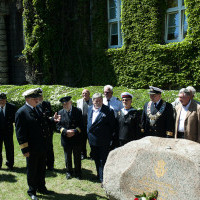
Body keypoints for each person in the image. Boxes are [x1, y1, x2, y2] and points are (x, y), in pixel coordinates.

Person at [15, 88, 54, 200]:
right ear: (27, 99)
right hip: (31, 148)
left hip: (41, 145)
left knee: (41, 168)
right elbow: (20, 133)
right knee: (32, 170)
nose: (37, 100)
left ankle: (41, 187)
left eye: (37, 98)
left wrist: (52, 120)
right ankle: (32, 190)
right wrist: (24, 149)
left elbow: (43, 123)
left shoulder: (37, 109)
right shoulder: (21, 112)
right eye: (35, 98)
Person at [87, 93, 115, 185]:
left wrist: (110, 139)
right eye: (96, 101)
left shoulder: (108, 111)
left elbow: (112, 126)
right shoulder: (89, 109)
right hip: (92, 140)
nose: (98, 102)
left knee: (103, 160)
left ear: (102, 101)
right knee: (95, 158)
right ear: (93, 101)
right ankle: (98, 175)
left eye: (100, 100)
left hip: (103, 140)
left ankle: (103, 178)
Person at [56, 96, 83, 180]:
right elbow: (57, 125)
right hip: (66, 138)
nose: (65, 105)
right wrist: (65, 131)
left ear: (70, 102)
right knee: (67, 157)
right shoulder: (60, 112)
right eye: (63, 104)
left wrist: (74, 131)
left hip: (76, 138)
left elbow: (81, 124)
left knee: (77, 156)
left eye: (67, 103)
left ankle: (78, 172)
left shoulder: (78, 111)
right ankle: (69, 172)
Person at [36, 88, 60, 171]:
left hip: (48, 130)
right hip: (39, 131)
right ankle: (42, 165)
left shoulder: (47, 104)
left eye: (41, 95)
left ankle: (50, 166)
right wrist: (49, 118)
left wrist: (53, 118)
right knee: (41, 149)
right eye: (38, 96)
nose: (40, 97)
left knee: (49, 148)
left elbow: (49, 116)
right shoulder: (34, 105)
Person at [0, 92, 16, 170]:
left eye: (3, 100)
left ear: (6, 100)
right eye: (0, 100)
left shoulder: (12, 107)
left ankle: (10, 164)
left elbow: (14, 119)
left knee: (9, 147)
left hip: (8, 131)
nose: (2, 102)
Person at [77, 89, 92, 159]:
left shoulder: (93, 101)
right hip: (82, 124)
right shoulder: (79, 101)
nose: (84, 95)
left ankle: (93, 154)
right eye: (83, 93)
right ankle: (83, 154)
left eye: (86, 93)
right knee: (82, 141)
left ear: (89, 94)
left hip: (90, 124)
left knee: (91, 140)